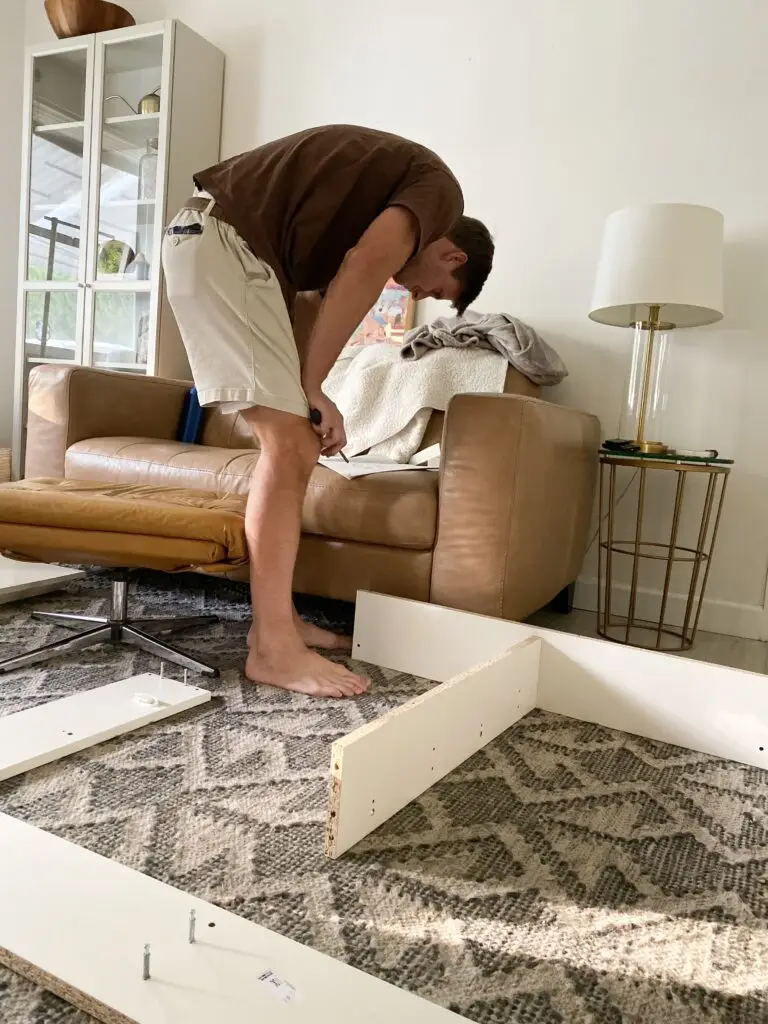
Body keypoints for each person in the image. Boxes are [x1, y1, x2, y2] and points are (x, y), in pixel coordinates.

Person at [162, 124, 494, 699]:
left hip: (229, 249)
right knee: (288, 446)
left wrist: (309, 394)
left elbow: (316, 300)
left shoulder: (359, 213)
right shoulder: (440, 194)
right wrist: (311, 388)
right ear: (453, 255)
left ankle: (282, 623)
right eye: (439, 289)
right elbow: (366, 267)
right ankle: (271, 649)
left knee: (297, 439)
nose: (416, 296)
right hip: (222, 242)